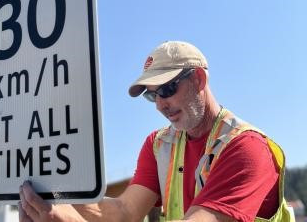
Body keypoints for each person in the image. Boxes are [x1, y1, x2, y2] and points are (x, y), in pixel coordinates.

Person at [19, 41, 294, 222]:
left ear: (198, 79)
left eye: (167, 89)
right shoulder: (160, 144)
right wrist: (52, 201)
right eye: (152, 96)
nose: (161, 105)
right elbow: (125, 211)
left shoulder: (246, 148)